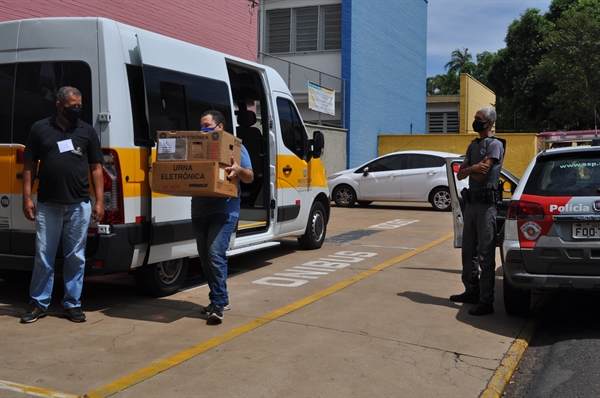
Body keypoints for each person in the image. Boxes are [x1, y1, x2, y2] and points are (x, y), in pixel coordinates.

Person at [20, 86, 105, 323]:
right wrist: (26, 198)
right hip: (48, 205)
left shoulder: (87, 131)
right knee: (43, 256)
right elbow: (29, 166)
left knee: (76, 257)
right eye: (72, 107)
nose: (76, 110)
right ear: (58, 105)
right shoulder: (40, 129)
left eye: (79, 106)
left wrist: (99, 201)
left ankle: (72, 304)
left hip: (79, 205)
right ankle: (39, 303)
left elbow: (97, 168)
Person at [191, 110, 254, 322]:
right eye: (201, 125)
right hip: (200, 207)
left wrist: (238, 170)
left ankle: (218, 303)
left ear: (219, 127)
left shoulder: (235, 146)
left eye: (206, 125)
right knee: (204, 257)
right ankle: (219, 297)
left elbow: (250, 177)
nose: (203, 129)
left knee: (215, 253)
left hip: (225, 207)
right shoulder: (195, 146)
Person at [450, 107, 504, 316]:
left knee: (485, 255)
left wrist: (470, 169)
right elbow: (461, 174)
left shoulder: (495, 145)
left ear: (489, 123)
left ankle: (486, 300)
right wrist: (473, 167)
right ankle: (471, 290)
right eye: (475, 119)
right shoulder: (473, 145)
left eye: (479, 119)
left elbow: (483, 175)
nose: (476, 122)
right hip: (471, 205)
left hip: (487, 206)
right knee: (468, 250)